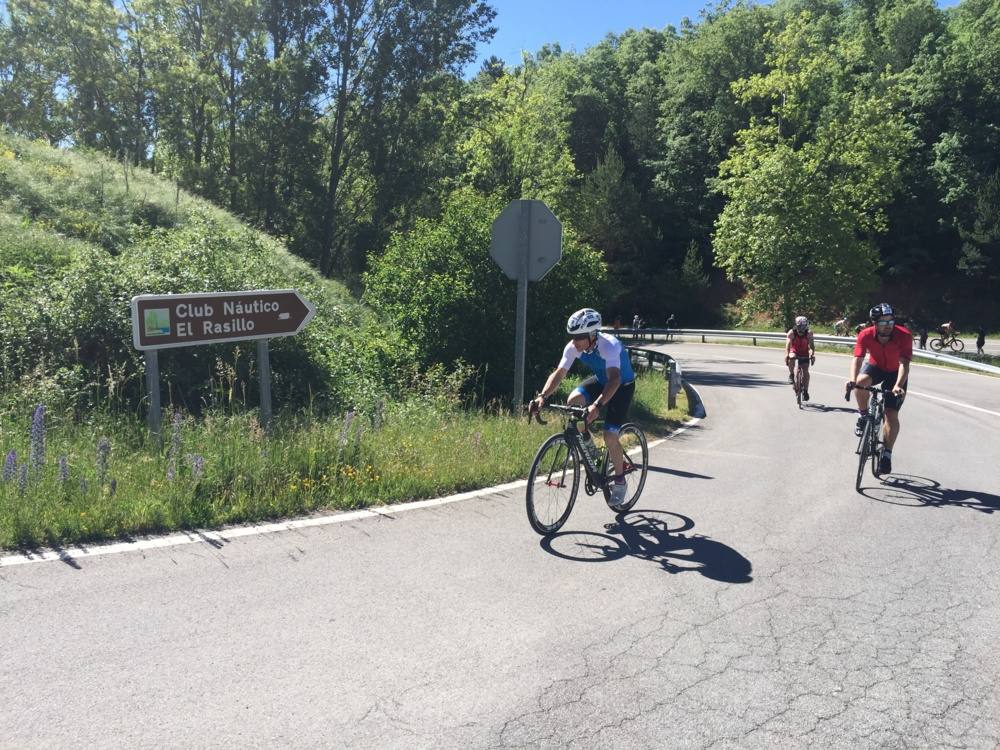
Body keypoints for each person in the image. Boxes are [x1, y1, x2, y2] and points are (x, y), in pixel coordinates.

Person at [531, 308, 637, 508]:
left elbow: (614, 379)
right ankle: (592, 452)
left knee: (609, 435)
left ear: (592, 334)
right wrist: (542, 396)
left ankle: (620, 480)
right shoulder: (573, 347)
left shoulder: (610, 346)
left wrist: (597, 405)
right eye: (572, 337)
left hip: (621, 386)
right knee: (573, 401)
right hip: (601, 380)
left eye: (579, 337)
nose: (574, 342)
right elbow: (560, 373)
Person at [847, 303, 911, 475]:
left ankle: (887, 454)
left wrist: (898, 385)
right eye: (883, 322)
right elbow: (858, 359)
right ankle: (862, 415)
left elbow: (904, 363)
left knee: (891, 415)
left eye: (890, 321)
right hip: (875, 368)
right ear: (874, 323)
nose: (888, 326)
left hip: (896, 374)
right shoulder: (865, 334)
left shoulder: (903, 335)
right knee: (860, 382)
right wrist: (852, 380)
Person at [785, 316, 815, 400]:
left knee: (805, 371)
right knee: (792, 357)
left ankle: (805, 391)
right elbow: (787, 346)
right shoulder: (791, 332)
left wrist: (812, 355)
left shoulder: (809, 333)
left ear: (806, 326)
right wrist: (787, 355)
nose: (801, 328)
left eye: (803, 326)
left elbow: (812, 346)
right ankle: (791, 374)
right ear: (796, 325)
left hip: (804, 352)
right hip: (794, 350)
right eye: (799, 326)